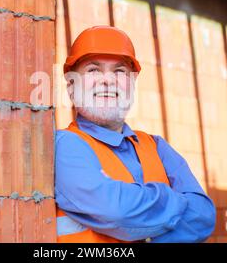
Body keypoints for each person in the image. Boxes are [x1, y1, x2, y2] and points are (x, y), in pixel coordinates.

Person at [55, 25, 216, 243]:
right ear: (71, 87)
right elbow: (115, 211)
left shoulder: (156, 146)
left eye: (119, 72)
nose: (108, 80)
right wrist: (174, 199)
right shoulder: (65, 145)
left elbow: (204, 216)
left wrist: (135, 204)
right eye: (93, 70)